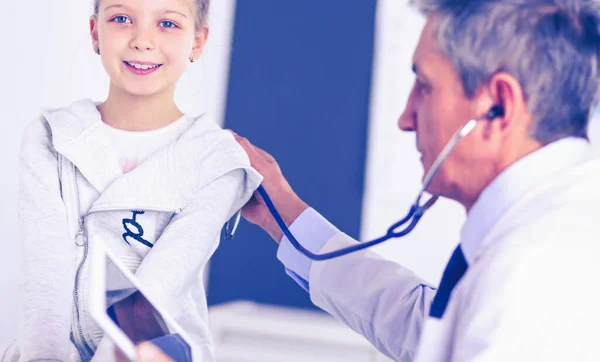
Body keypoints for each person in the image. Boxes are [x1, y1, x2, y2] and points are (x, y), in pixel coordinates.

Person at [232, 1, 600, 361]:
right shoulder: (549, 229)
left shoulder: (537, 273)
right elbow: (430, 333)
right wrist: (281, 213)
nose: (406, 118)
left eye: (424, 86)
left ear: (499, 107)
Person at [3, 0, 261, 361]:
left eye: (167, 24)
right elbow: (45, 275)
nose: (143, 40)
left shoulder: (217, 160)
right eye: (122, 18)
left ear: (198, 42)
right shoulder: (51, 137)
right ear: (96, 32)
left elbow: (157, 290)